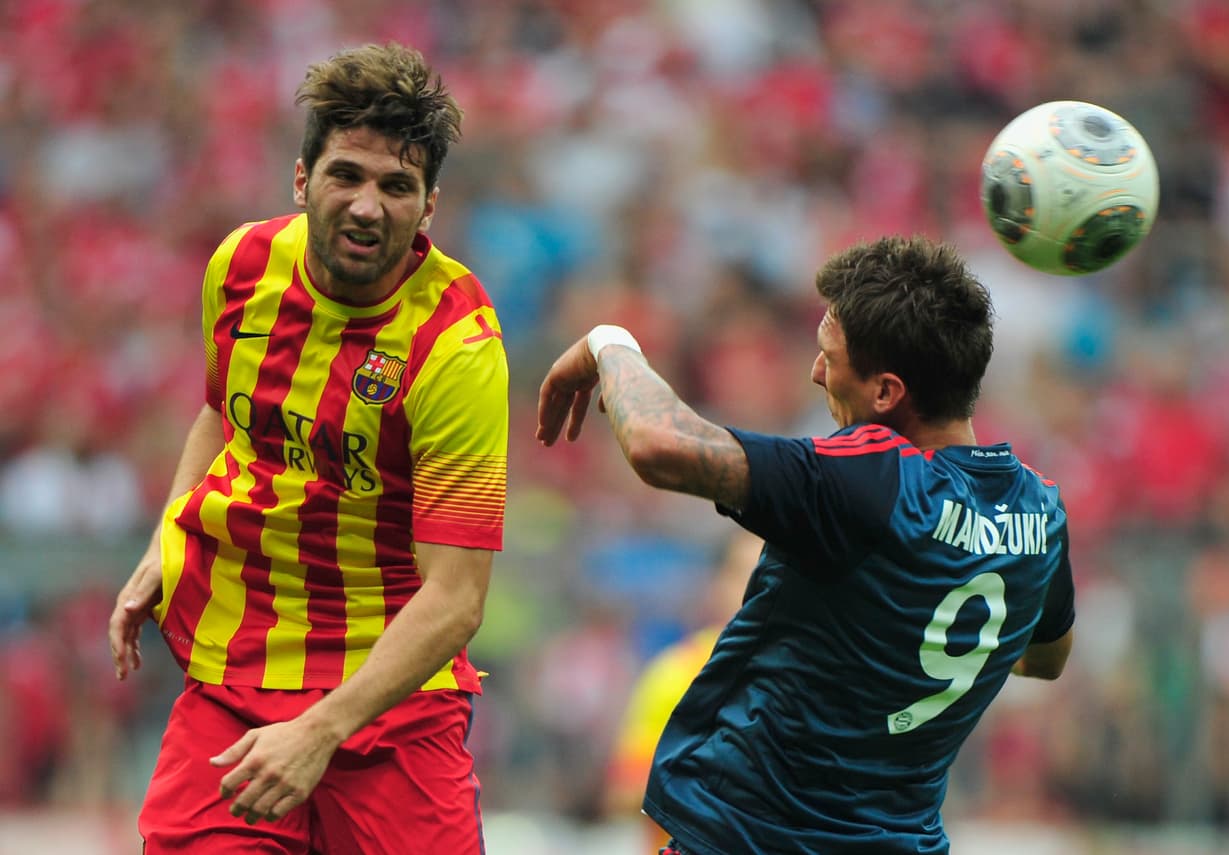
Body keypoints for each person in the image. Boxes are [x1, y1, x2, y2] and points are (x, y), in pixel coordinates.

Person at [537, 235, 1075, 855]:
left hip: (752, 840)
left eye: (830, 355)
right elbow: (1044, 659)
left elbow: (661, 445)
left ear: (886, 394)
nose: (816, 371)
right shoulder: (1039, 510)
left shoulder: (874, 478)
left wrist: (613, 343)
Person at [107, 42, 508, 853]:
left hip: (392, 703)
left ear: (428, 207)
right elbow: (224, 415)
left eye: (397, 186)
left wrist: (318, 729)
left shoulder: (455, 347)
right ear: (302, 180)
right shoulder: (243, 265)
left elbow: (457, 599)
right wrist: (167, 538)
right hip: (237, 677)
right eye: (346, 175)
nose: (368, 206)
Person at [603, 528, 764, 852]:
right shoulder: (676, 673)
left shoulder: (816, 675)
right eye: (742, 573)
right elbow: (622, 796)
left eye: (770, 572)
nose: (758, 587)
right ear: (718, 583)